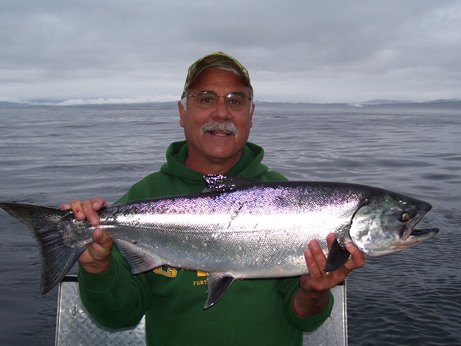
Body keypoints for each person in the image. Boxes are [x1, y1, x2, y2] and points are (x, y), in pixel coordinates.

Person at [63, 52, 365, 345]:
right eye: (206, 98)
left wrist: (314, 292)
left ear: (251, 114)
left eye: (235, 101)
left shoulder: (286, 199)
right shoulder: (144, 196)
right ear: (183, 112)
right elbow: (119, 317)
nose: (221, 112)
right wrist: (96, 268)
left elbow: (303, 316)